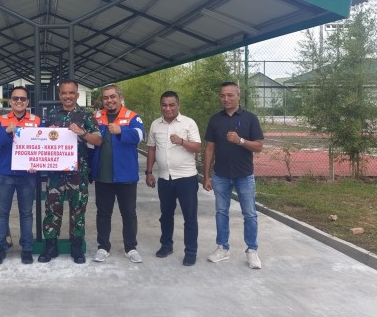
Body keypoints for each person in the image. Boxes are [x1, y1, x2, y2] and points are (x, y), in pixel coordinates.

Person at [38, 79, 102, 264]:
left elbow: (98, 140)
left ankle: (77, 247)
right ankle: (50, 247)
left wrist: (82, 133)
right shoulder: (51, 115)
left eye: (71, 93)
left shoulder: (86, 115)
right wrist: (46, 133)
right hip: (55, 173)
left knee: (78, 210)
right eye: (64, 93)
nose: (67, 96)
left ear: (77, 95)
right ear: (59, 95)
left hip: (78, 172)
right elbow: (39, 141)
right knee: (52, 209)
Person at [203, 81, 265, 269]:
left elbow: (259, 146)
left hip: (244, 175)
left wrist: (240, 140)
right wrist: (206, 176)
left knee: (250, 214)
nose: (226, 99)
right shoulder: (215, 120)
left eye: (230, 95)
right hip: (220, 175)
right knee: (221, 212)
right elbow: (210, 148)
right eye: (222, 95)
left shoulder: (250, 118)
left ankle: (252, 250)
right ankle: (223, 247)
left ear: (238, 96)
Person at [145, 91, 201, 266]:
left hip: (186, 178)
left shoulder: (188, 123)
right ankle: (166, 245)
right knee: (166, 215)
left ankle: (190, 251)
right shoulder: (155, 124)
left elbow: (197, 147)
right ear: (160, 106)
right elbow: (151, 149)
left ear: (178, 105)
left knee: (189, 217)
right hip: (164, 178)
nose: (167, 108)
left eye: (171, 105)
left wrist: (182, 141)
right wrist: (149, 172)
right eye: (164, 105)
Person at [91, 84, 145, 263]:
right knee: (103, 213)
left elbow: (140, 135)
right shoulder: (96, 117)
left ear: (120, 97)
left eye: (112, 96)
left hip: (126, 176)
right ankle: (103, 247)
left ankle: (131, 247)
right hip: (103, 176)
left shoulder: (131, 116)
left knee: (128, 213)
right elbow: (89, 139)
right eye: (105, 98)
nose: (109, 100)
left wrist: (122, 130)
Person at [0, 86, 42, 265]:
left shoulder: (36, 120)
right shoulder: (2, 120)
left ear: (27, 102)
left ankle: (26, 248)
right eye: (15, 98)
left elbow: (43, 146)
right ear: (10, 101)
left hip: (27, 175)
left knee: (26, 213)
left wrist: (36, 163)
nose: (19, 101)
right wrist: (6, 132)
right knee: (1, 213)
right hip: (5, 174)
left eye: (23, 98)